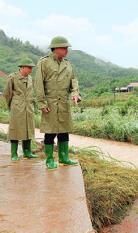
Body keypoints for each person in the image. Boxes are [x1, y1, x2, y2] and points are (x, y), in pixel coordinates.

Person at [35, 36, 80, 170]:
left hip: (64, 103)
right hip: (50, 103)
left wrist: (75, 94)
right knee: (50, 132)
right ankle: (49, 160)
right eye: (64, 48)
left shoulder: (68, 64)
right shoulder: (44, 63)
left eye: (67, 48)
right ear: (55, 48)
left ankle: (64, 158)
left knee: (64, 131)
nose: (67, 50)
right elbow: (38, 83)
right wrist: (42, 103)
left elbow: (74, 81)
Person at [3, 58, 38, 161]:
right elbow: (7, 94)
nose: (31, 70)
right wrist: (12, 105)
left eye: (31, 68)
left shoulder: (30, 78)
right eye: (29, 68)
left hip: (28, 107)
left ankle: (27, 152)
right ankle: (14, 153)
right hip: (17, 107)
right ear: (22, 67)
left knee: (28, 129)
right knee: (15, 130)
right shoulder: (12, 78)